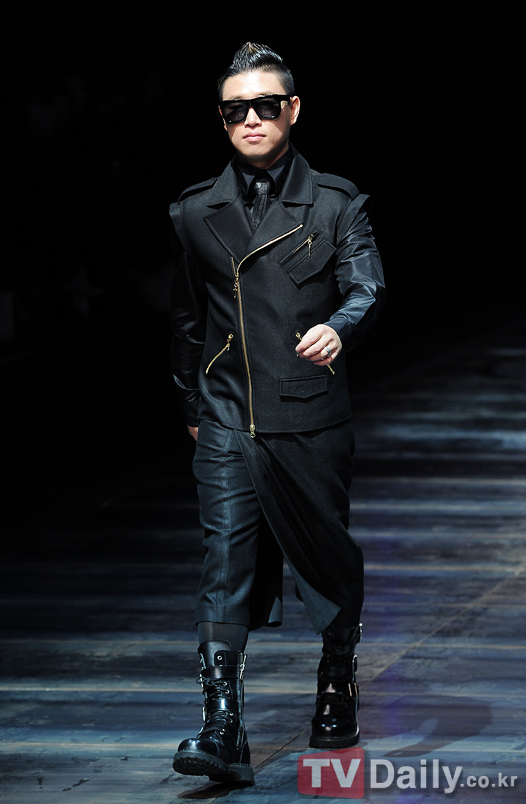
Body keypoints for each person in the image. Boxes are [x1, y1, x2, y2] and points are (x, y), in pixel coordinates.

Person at [169, 42, 385, 785]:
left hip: (308, 412)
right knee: (224, 561)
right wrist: (192, 403)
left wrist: (340, 327)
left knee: (325, 558)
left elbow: (366, 287)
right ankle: (221, 727)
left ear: (293, 109)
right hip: (229, 412)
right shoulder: (196, 211)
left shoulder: (334, 202)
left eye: (266, 105)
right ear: (222, 118)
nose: (252, 119)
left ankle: (337, 681)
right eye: (237, 110)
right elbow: (187, 319)